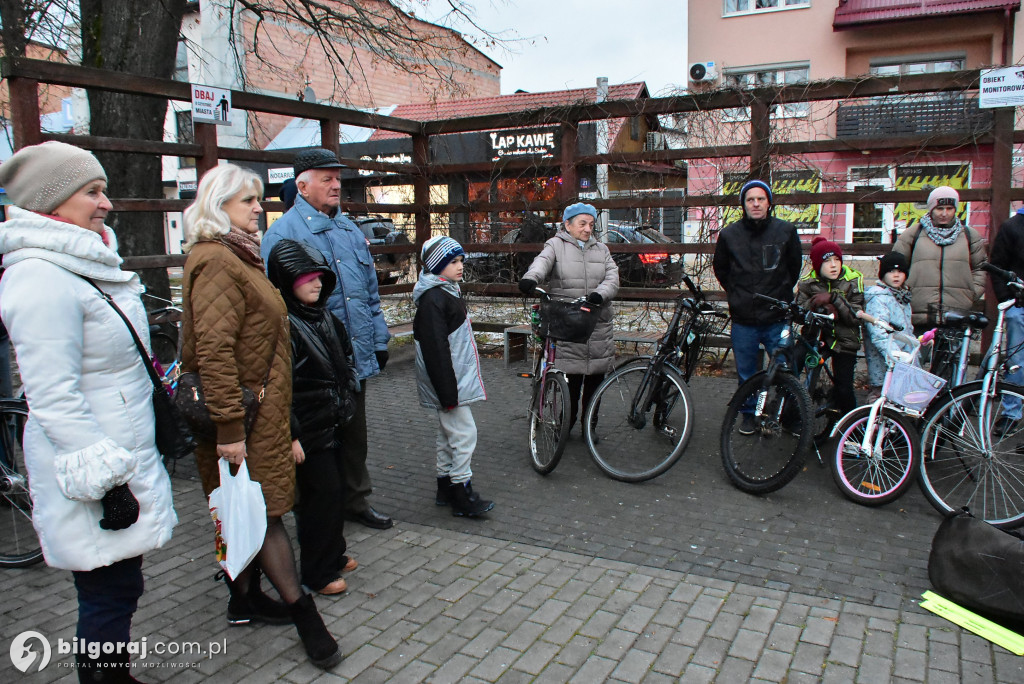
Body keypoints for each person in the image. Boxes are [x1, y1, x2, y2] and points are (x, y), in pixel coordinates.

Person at [0, 141, 177, 681]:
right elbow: (52, 394)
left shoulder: (83, 261)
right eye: (92, 192)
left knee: (120, 584)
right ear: (52, 204)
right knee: (106, 591)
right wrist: (106, 480)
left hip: (119, 450)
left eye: (104, 190)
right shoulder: (41, 277)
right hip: (94, 466)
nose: (107, 203)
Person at [180, 163, 342, 669]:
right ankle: (305, 615)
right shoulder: (216, 261)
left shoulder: (239, 256)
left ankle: (243, 600)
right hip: (243, 421)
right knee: (265, 513)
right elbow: (213, 351)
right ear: (218, 205)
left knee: (242, 511)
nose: (258, 208)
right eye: (247, 200)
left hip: (262, 416)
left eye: (257, 199)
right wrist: (229, 428)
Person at [261, 148, 393, 531]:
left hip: (353, 356)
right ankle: (316, 512)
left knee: (354, 434)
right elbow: (277, 305)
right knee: (316, 441)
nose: (336, 185)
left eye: (337, 178)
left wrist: (380, 341)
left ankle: (355, 501)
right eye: (326, 178)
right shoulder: (282, 234)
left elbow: (369, 295)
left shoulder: (349, 230)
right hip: (311, 363)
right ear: (302, 185)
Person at [266, 238, 361, 596]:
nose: (316, 284)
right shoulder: (285, 325)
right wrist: (291, 433)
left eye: (319, 277)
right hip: (306, 428)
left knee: (334, 492)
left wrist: (348, 389)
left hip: (331, 420)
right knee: (319, 496)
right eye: (306, 278)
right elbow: (278, 384)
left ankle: (332, 554)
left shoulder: (324, 317)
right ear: (288, 281)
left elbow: (345, 357)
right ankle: (317, 571)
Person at [518, 202, 620, 433]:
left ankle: (589, 424)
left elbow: (613, 279)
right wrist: (531, 279)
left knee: (595, 379)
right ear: (568, 224)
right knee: (572, 380)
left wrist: (599, 294)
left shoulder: (601, 250)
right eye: (582, 223)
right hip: (569, 321)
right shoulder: (555, 245)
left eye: (591, 224)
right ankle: (568, 420)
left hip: (597, 323)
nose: (587, 229)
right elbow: (541, 263)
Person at [712, 179, 803, 435]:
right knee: (747, 373)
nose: (755, 203)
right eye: (750, 199)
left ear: (769, 202)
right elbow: (721, 269)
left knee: (787, 371)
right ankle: (748, 415)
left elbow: (794, 267)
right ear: (743, 204)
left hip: (777, 317)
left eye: (760, 199)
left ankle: (789, 414)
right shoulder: (729, 235)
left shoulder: (785, 231)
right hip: (744, 318)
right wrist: (738, 294)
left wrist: (781, 291)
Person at [413, 236, 494, 517]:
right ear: (437, 266)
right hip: (448, 383)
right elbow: (435, 349)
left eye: (461, 261)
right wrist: (448, 391)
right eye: (452, 262)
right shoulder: (434, 299)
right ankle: (462, 492)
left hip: (452, 381)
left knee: (448, 435)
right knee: (464, 433)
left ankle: (445, 486)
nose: (460, 267)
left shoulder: (447, 292)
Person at [892, 186, 986, 332]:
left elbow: (981, 268)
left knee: (954, 355)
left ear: (956, 209)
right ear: (931, 209)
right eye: (939, 208)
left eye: (949, 208)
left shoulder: (969, 236)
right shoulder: (912, 234)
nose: (944, 213)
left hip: (957, 314)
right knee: (920, 355)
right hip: (919, 315)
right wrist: (906, 293)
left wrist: (970, 294)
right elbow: (895, 267)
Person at [796, 237, 864, 417]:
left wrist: (835, 299)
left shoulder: (853, 280)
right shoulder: (807, 282)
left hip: (845, 339)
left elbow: (855, 318)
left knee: (844, 387)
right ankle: (788, 413)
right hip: (816, 336)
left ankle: (853, 428)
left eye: (837, 260)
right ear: (817, 265)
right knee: (792, 365)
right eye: (827, 261)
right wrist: (815, 303)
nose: (833, 265)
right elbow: (799, 312)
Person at [987, 207, 1024, 436]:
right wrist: (1008, 300)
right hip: (1019, 305)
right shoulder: (1012, 226)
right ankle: (1011, 413)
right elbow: (998, 265)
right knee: (1016, 359)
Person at [863, 252, 914, 403]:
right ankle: (867, 424)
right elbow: (879, 334)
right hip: (885, 362)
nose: (896, 275)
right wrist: (896, 356)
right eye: (891, 271)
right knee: (878, 399)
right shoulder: (879, 298)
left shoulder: (903, 298)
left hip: (901, 363)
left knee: (897, 401)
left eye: (900, 271)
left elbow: (907, 329)